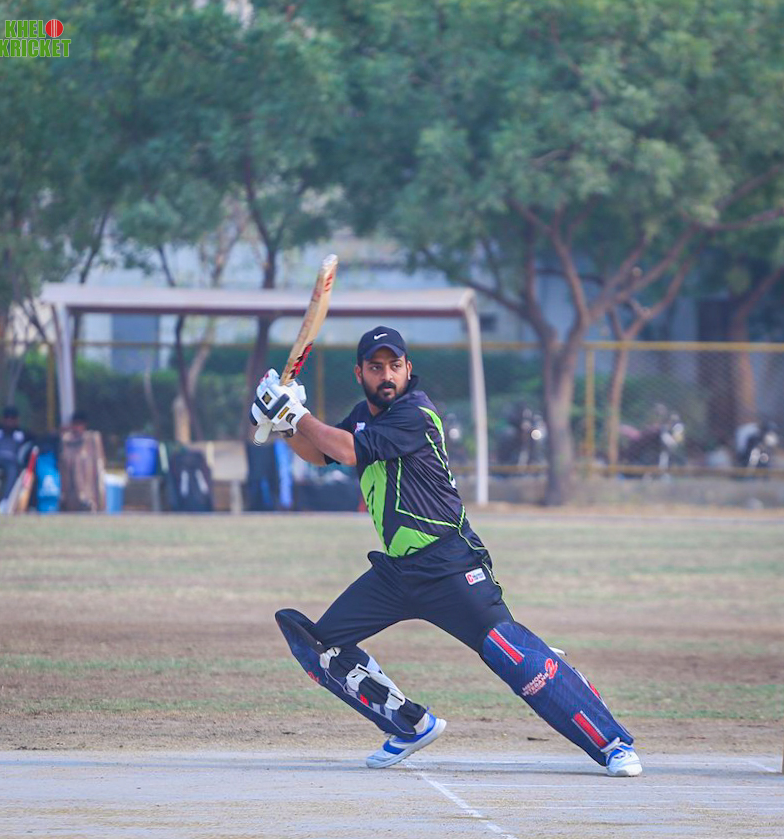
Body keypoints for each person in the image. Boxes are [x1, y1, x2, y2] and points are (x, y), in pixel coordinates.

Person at [251, 327, 642, 777]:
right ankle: (408, 725)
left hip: (449, 564)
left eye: (394, 366)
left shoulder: (415, 414)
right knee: (321, 647)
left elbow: (348, 450)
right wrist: (281, 424)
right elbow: (321, 455)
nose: (386, 375)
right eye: (376, 367)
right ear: (359, 373)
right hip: (397, 574)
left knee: (508, 652)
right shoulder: (362, 416)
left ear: (408, 369)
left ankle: (612, 743)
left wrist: (295, 413)